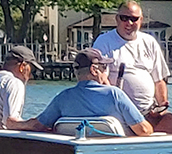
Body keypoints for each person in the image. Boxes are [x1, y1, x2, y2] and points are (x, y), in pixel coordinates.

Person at [92, 0, 172, 134]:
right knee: (143, 131)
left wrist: (161, 107)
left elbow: (159, 80)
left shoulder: (149, 41)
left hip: (149, 112)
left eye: (134, 19)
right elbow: (100, 78)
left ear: (141, 20)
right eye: (124, 18)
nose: (129, 23)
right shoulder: (104, 41)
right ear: (117, 19)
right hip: (119, 113)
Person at [24, 48, 152, 136]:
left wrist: (13, 124)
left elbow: (37, 125)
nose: (106, 72)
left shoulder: (62, 98)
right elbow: (143, 130)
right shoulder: (115, 94)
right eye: (104, 67)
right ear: (94, 70)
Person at [0, 45, 43, 129]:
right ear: (22, 67)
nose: (31, 76)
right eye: (32, 70)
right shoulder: (14, 83)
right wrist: (34, 124)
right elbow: (10, 122)